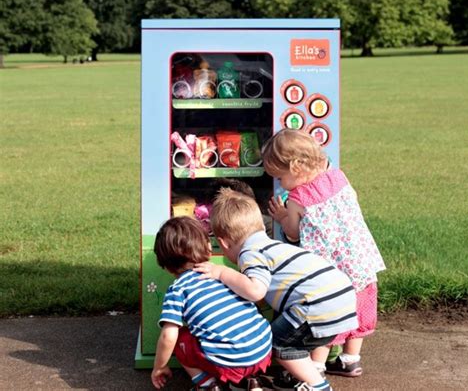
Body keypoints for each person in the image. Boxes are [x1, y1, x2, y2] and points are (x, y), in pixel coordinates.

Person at [194, 188, 358, 391]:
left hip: (317, 305)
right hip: (343, 297)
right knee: (294, 338)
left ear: (223, 243)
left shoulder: (250, 253)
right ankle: (300, 374)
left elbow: (255, 290)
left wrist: (222, 274)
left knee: (277, 343)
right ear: (262, 226)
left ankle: (318, 386)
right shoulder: (275, 246)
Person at [262, 129, 386, 377]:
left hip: (332, 275)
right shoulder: (338, 177)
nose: (279, 183)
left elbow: (294, 232)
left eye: (280, 177)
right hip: (361, 263)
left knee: (326, 320)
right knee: (358, 314)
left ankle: (315, 366)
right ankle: (350, 360)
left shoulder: (298, 198)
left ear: (296, 168)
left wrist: (283, 216)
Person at [151, 216, 272, 391]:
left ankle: (208, 385)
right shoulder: (223, 274)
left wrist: (159, 366)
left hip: (229, 363)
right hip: (263, 351)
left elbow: (168, 336)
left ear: (167, 267)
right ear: (209, 250)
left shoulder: (177, 290)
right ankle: (251, 381)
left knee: (181, 338)